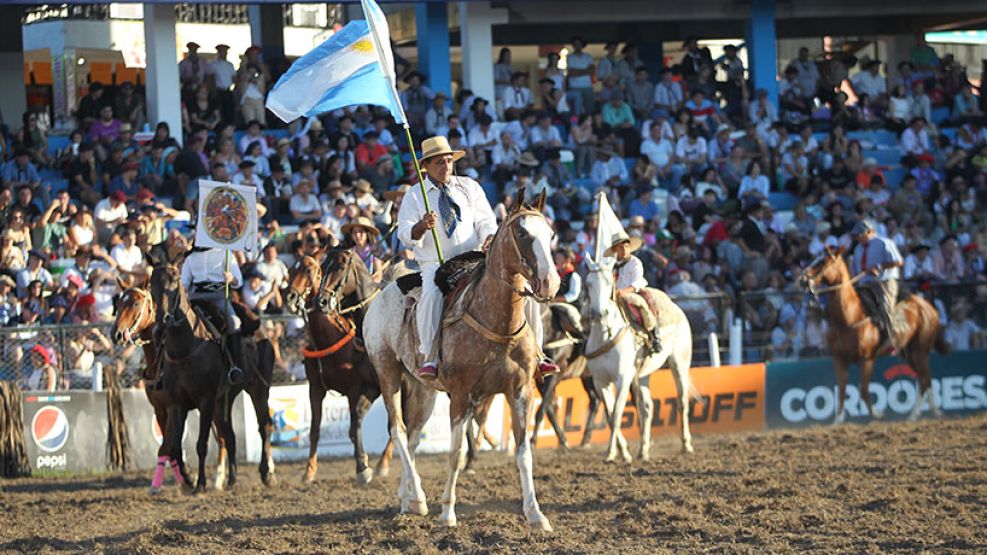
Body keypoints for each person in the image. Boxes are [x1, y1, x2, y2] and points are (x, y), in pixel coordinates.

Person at [397, 136, 558, 380]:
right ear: (426, 166)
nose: (446, 166)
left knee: (524, 289)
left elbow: (485, 220)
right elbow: (405, 235)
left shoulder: (468, 187)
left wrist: (489, 237)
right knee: (431, 295)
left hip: (473, 259)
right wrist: (420, 227)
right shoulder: (415, 196)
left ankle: (538, 354)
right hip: (436, 264)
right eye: (440, 162)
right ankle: (430, 356)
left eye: (449, 161)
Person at [180, 247, 246, 385]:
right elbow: (184, 283)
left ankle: (235, 366)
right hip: (196, 299)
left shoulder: (225, 254)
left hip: (219, 298)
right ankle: (164, 369)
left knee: (234, 322)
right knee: (175, 323)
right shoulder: (190, 258)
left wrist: (231, 278)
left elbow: (239, 281)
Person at [850, 219, 904, 353]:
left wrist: (880, 267)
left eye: (860, 235)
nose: (858, 238)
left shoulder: (884, 243)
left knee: (885, 307)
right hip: (864, 284)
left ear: (869, 232)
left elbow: (898, 261)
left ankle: (892, 341)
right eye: (856, 236)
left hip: (884, 282)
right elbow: (857, 269)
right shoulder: (857, 249)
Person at [606, 230, 661, 353]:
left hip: (634, 292)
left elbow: (637, 281)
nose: (624, 250)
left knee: (647, 301)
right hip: (614, 295)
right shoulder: (610, 265)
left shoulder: (635, 262)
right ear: (615, 250)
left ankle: (654, 335)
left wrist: (624, 291)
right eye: (620, 247)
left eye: (626, 246)